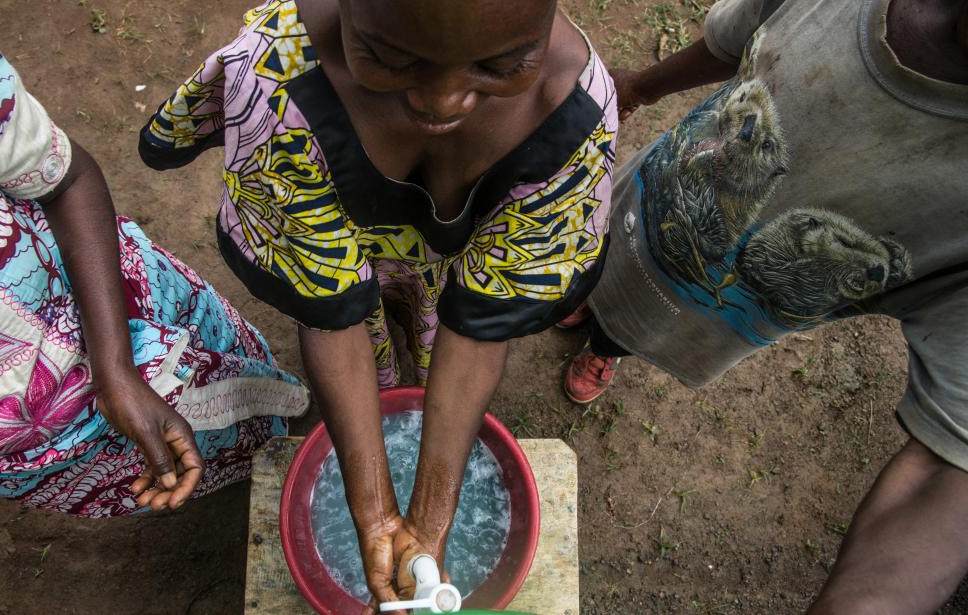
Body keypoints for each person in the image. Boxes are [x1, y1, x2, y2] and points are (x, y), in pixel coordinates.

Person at [140, 0, 617, 610]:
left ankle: (401, 380)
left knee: (429, 347)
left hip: (454, 267)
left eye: (500, 65)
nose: (442, 102)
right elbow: (329, 312)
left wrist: (429, 519)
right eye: (391, 57)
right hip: (346, 250)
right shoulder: (277, 82)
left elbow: (475, 333)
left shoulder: (574, 116)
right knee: (363, 342)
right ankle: (389, 384)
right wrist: (372, 512)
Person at [561, 0, 968, 611]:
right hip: (649, 193)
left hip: (693, 310)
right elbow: (739, 32)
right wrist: (640, 87)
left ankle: (605, 346)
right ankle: (588, 300)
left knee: (637, 323)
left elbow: (948, 470)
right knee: (597, 256)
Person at [0, 2, 309, 610]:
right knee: (189, 466)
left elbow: (63, 177)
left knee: (238, 380)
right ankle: (258, 462)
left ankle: (284, 428)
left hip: (117, 303)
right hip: (18, 447)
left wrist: (114, 368)